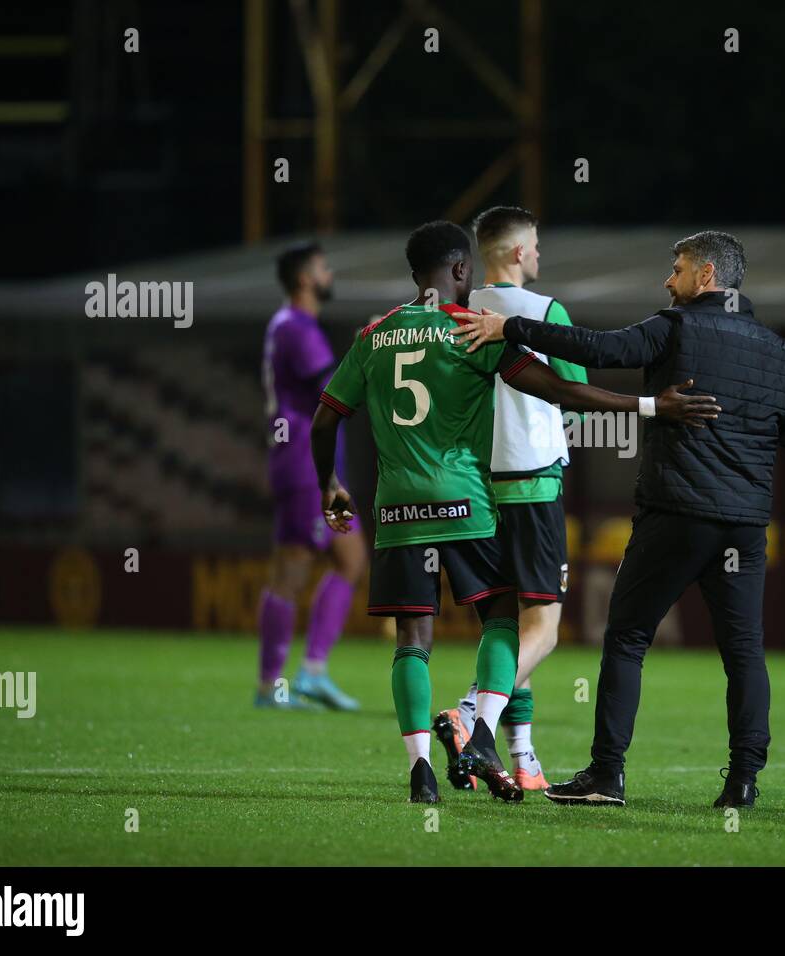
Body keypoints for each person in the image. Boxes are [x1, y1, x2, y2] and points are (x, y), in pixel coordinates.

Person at [309, 221, 720, 803]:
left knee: (411, 640)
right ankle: (481, 731)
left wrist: (330, 484)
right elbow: (559, 390)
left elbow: (324, 419)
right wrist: (652, 405)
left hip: (397, 510)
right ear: (458, 270)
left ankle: (420, 773)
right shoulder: (471, 332)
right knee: (509, 619)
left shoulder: (374, 335)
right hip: (468, 505)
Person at [453, 230, 785, 808]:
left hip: (676, 513)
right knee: (744, 653)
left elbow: (596, 349)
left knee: (629, 638)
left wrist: (511, 329)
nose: (668, 279)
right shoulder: (778, 352)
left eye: (677, 268)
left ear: (706, 276)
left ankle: (607, 775)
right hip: (742, 527)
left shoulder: (675, 328)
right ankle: (743, 782)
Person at [433, 206, 588, 793]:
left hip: (472, 490)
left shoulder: (451, 314)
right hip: (531, 483)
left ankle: (523, 755)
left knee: (506, 628)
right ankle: (470, 716)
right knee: (543, 629)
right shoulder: (545, 312)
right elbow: (571, 391)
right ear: (520, 252)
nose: (541, 257)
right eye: (538, 246)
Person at [255, 241, 364, 712]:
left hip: (301, 461)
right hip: (305, 465)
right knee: (294, 570)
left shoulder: (288, 326)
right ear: (305, 279)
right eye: (323, 267)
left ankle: (309, 673)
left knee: (349, 558)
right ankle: (274, 686)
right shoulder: (297, 328)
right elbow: (332, 388)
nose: (329, 273)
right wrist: (366, 352)